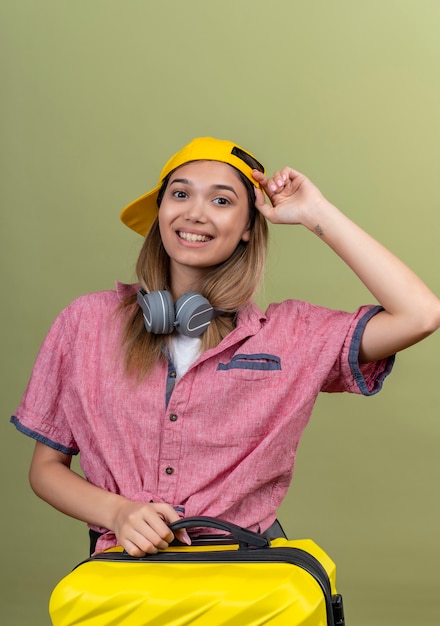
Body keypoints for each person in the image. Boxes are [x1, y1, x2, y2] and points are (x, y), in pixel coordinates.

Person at [11, 136, 440, 557]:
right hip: (125, 574)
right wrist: (119, 512)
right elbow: (45, 470)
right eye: (180, 194)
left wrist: (316, 213)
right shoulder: (86, 322)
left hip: (244, 573)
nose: (196, 213)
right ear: (161, 212)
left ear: (249, 228)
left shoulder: (292, 335)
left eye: (221, 201)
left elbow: (420, 314)